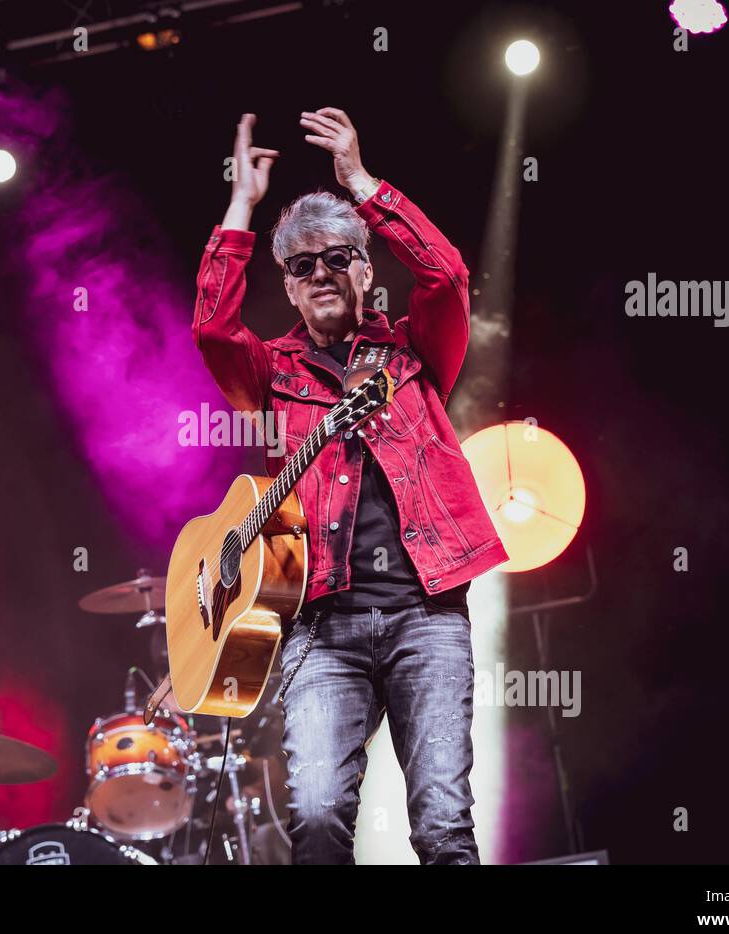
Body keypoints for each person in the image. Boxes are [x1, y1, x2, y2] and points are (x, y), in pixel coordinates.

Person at [190, 109, 508, 863]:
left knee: (441, 824)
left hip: (426, 615)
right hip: (320, 627)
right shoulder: (270, 373)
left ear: (367, 271)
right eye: (302, 267)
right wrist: (241, 205)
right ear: (290, 291)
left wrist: (362, 183)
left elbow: (448, 274)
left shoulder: (414, 353)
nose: (321, 273)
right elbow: (210, 327)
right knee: (319, 815)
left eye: (339, 258)